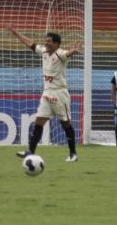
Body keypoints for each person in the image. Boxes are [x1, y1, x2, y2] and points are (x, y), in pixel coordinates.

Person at [10, 28, 82, 162]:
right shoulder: (44, 51)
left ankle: (73, 153)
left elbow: (68, 53)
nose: (46, 43)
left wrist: (73, 51)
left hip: (60, 93)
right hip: (47, 93)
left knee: (65, 123)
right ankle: (30, 151)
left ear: (57, 44)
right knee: (39, 121)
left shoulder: (60, 54)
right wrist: (17, 34)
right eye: (46, 41)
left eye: (49, 41)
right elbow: (31, 44)